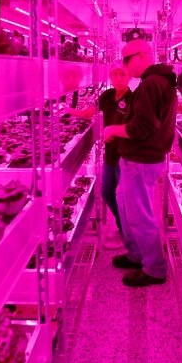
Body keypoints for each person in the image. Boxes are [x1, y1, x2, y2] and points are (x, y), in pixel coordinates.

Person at [103, 39, 178, 287]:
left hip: (140, 159)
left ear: (144, 55)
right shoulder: (155, 82)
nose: (125, 65)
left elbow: (142, 127)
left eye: (127, 59)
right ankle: (136, 254)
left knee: (139, 215)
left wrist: (113, 128)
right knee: (125, 206)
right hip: (136, 158)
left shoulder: (152, 84)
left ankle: (154, 268)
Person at [65, 66, 133, 249]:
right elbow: (89, 112)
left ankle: (127, 236)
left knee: (124, 197)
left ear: (129, 77)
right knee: (107, 192)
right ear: (110, 77)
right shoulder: (107, 96)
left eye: (122, 75)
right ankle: (123, 226)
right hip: (110, 153)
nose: (118, 78)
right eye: (115, 75)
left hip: (126, 155)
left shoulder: (134, 99)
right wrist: (68, 110)